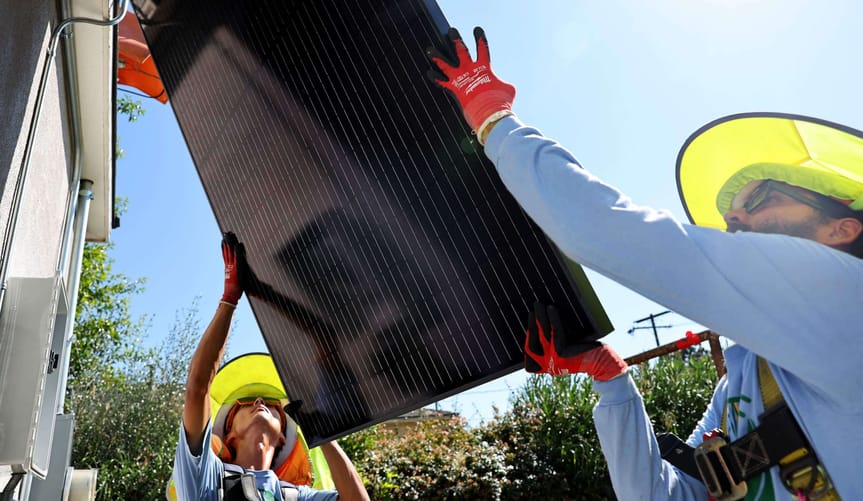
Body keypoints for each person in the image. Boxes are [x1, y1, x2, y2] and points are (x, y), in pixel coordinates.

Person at [428, 27, 862, 499]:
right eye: (733, 213)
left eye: (763, 197)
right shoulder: (747, 373)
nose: (735, 217)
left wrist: (494, 118)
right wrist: (611, 382)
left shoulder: (846, 298)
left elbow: (609, 232)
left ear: (842, 227)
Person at [170, 232, 370, 501]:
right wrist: (230, 299)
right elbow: (197, 389)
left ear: (283, 438)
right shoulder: (206, 479)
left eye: (275, 406)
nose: (260, 400)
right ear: (228, 435)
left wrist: (324, 438)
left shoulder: (292, 496)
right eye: (246, 402)